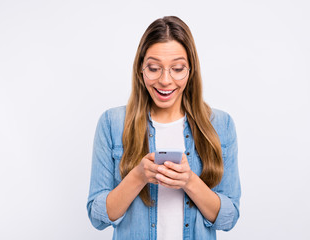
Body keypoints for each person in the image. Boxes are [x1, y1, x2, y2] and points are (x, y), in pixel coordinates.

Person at [86, 16, 241, 240]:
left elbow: (229, 218)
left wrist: (189, 181)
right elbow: (97, 217)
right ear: (141, 69)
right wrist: (138, 176)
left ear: (191, 71)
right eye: (154, 68)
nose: (165, 80)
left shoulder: (220, 125)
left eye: (177, 68)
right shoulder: (112, 123)